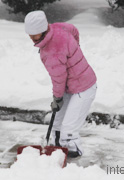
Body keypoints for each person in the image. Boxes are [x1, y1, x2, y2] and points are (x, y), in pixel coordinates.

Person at [24, 10, 97, 158]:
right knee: (57, 121)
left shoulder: (51, 51)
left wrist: (57, 98)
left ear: (43, 30)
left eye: (35, 34)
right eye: (30, 34)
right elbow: (73, 30)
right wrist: (74, 48)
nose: (32, 38)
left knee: (68, 130)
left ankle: (74, 154)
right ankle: (57, 146)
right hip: (71, 86)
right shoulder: (58, 28)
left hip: (83, 87)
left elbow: (58, 79)